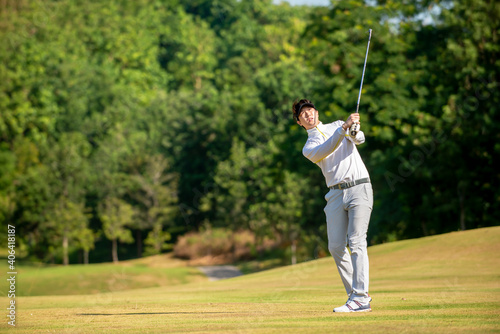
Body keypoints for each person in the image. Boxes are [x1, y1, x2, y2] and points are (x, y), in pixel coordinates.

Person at [292, 99, 373, 312]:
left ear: (317, 112)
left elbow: (360, 139)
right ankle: (355, 295)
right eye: (303, 115)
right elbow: (327, 149)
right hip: (335, 194)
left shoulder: (338, 125)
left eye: (310, 111)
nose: (308, 115)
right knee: (336, 247)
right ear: (300, 122)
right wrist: (344, 129)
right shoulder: (309, 147)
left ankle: (360, 297)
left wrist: (353, 130)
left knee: (356, 241)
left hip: (359, 187)